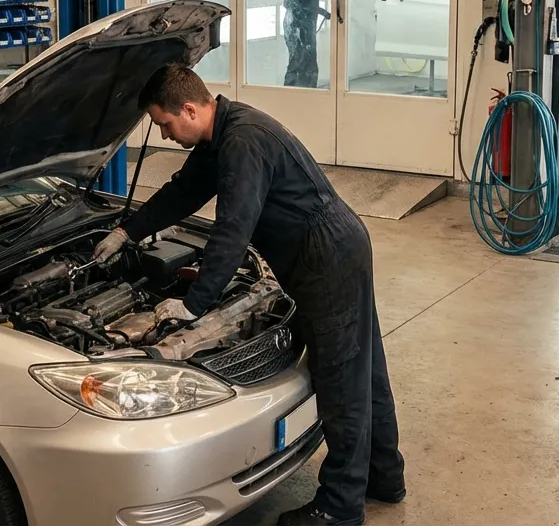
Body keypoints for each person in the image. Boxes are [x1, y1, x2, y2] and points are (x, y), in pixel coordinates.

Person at [93, 64, 405, 526]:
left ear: (191, 109)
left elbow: (232, 228)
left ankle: (339, 508)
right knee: (364, 368)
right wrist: (127, 231)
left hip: (326, 257)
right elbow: (182, 194)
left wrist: (194, 304)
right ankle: (384, 476)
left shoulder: (242, 142)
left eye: (164, 124)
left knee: (340, 379)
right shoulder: (218, 137)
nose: (164, 134)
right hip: (333, 248)